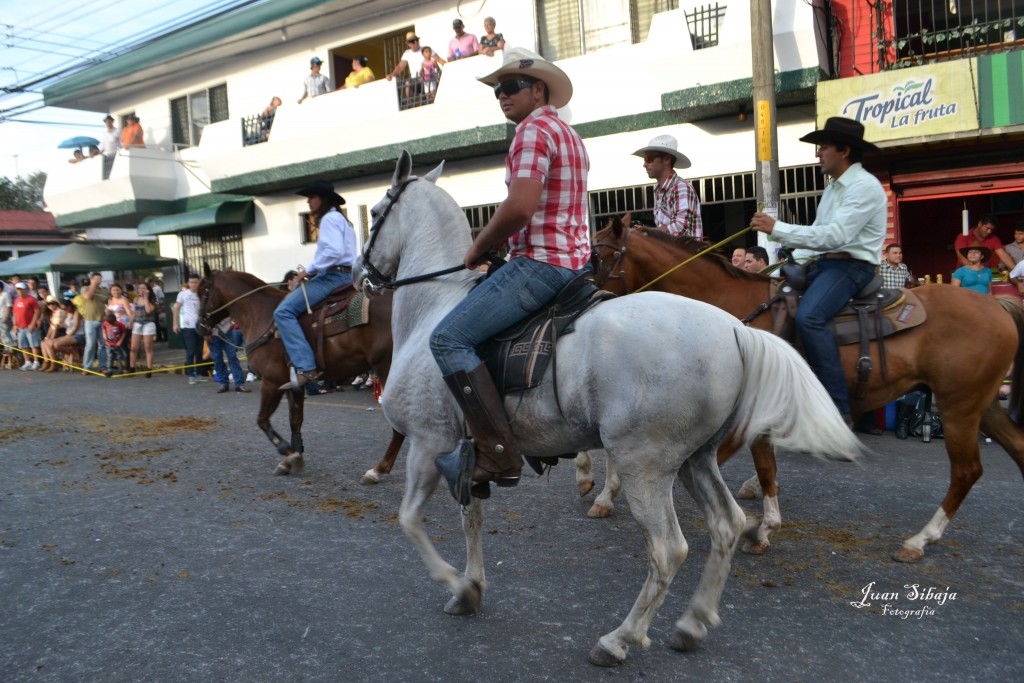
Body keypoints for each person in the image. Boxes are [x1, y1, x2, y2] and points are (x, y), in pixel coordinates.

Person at [431, 47, 590, 496]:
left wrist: (479, 245)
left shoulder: (532, 131)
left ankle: (496, 453)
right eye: (497, 91)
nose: (502, 96)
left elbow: (519, 207)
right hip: (578, 263)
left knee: (448, 339)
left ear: (537, 89)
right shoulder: (569, 134)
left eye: (510, 87)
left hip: (541, 265)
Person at [750, 116, 887, 427]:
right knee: (775, 302)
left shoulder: (865, 187)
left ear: (845, 151)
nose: (818, 153)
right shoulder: (833, 189)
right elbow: (818, 234)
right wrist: (788, 261)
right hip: (826, 263)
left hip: (852, 266)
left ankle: (837, 409)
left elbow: (836, 236)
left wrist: (778, 228)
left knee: (809, 316)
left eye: (823, 147)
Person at [274, 180, 357, 391]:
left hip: (332, 277)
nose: (309, 201)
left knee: (283, 312)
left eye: (312, 197)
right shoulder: (343, 220)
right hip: (347, 276)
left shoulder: (329, 219)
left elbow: (333, 253)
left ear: (324, 199)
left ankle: (306, 367)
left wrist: (307, 271)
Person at [632, 134, 703, 239]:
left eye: (649, 159)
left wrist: (647, 232)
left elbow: (680, 227)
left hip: (685, 255)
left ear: (666, 159)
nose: (645, 164)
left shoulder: (681, 187)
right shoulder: (660, 191)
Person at [172, 274, 208, 385]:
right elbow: (176, 309)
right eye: (191, 282)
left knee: (199, 351)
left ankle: (199, 374)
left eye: (195, 282)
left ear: (199, 283)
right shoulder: (183, 294)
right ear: (188, 283)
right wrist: (175, 324)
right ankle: (191, 375)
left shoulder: (202, 294)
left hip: (200, 326)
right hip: (188, 326)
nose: (193, 284)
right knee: (190, 351)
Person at [208, 317, 251, 393]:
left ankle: (239, 384)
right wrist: (205, 333)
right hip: (212, 332)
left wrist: (233, 321)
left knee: (232, 356)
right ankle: (223, 383)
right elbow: (201, 314)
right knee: (217, 358)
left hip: (227, 329)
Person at [80, 272, 109, 374]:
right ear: (91, 279)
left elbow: (108, 303)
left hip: (102, 320)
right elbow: (87, 297)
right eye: (96, 278)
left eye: (100, 279)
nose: (98, 280)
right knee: (90, 344)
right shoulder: (85, 289)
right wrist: (93, 284)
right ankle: (87, 367)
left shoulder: (104, 291)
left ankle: (103, 366)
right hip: (90, 320)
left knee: (103, 344)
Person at [129, 281, 158, 377]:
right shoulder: (136, 299)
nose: (141, 290)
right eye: (139, 288)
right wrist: (131, 321)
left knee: (148, 347)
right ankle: (132, 367)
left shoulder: (152, 300)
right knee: (133, 348)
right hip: (137, 323)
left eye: (143, 288)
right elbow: (134, 312)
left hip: (148, 324)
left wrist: (146, 298)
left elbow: (148, 310)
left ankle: (149, 369)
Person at [387, 32, 426, 102]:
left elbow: (438, 59)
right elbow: (400, 66)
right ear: (408, 44)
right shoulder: (407, 53)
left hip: (427, 78)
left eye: (416, 40)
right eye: (412, 41)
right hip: (415, 81)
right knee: (408, 83)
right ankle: (411, 104)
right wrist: (392, 74)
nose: (415, 42)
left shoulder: (426, 50)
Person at [12, 282, 42, 370]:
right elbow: (14, 313)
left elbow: (37, 311)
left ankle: (36, 362)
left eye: (21, 289)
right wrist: (14, 324)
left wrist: (33, 323)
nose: (19, 291)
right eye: (18, 289)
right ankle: (27, 361)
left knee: (33, 345)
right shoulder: (17, 300)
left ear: (25, 290)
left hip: (30, 326)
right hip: (20, 327)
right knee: (23, 345)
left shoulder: (31, 299)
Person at [47, 300, 83, 372]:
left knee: (56, 344)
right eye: (62, 309)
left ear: (69, 307)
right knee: (49, 343)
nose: (64, 310)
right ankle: (53, 362)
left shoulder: (76, 313)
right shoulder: (66, 314)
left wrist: (68, 336)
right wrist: (61, 325)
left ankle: (73, 354)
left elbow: (75, 328)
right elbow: (66, 325)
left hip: (78, 334)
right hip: (69, 333)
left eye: (65, 308)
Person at [37, 296, 67, 371]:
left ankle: (54, 362)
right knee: (43, 342)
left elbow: (56, 326)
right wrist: (47, 336)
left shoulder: (60, 312)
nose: (51, 306)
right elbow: (51, 326)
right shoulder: (53, 313)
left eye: (53, 304)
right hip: (55, 331)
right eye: (49, 304)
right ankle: (46, 361)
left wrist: (52, 337)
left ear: (56, 304)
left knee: (48, 343)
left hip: (61, 331)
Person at [101, 312, 128, 377]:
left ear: (115, 320)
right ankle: (109, 370)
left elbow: (124, 332)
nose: (112, 325)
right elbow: (103, 328)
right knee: (110, 357)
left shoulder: (120, 324)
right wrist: (104, 335)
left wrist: (120, 341)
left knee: (119, 357)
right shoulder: (105, 323)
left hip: (117, 344)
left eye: (113, 324)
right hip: (108, 344)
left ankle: (120, 369)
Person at [99, 114, 120, 178]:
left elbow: (118, 140)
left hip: (115, 153)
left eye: (109, 121)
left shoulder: (117, 131)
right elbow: (103, 145)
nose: (107, 123)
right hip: (107, 155)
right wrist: (99, 151)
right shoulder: (105, 133)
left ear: (112, 122)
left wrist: (110, 132)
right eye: (106, 122)